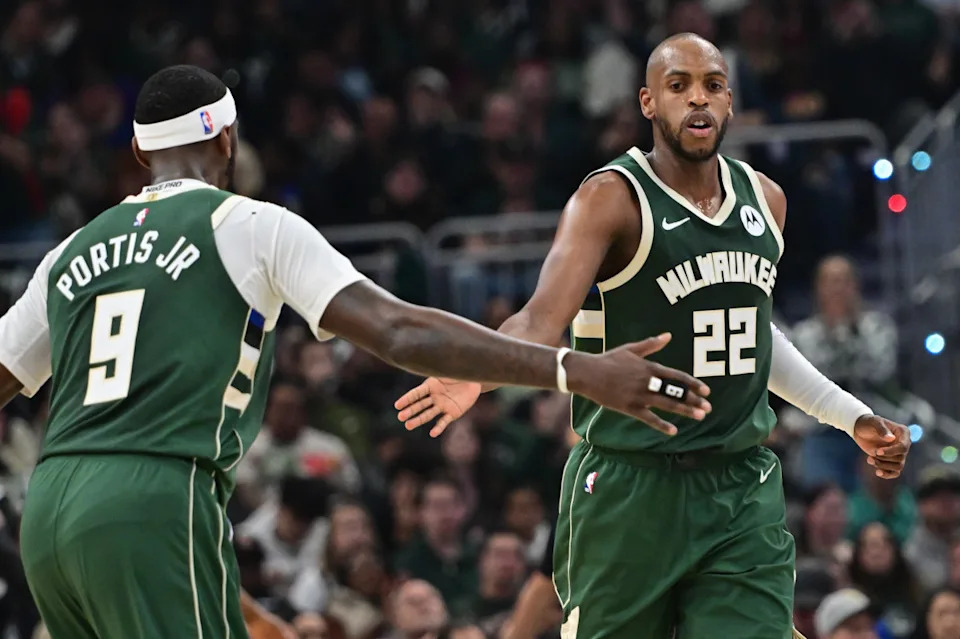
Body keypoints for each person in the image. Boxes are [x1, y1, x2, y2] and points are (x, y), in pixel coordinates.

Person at [0, 65, 712, 639]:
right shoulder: (249, 223)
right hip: (152, 496)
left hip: (49, 508)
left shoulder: (69, 251)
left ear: (138, 152)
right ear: (227, 141)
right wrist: (574, 367)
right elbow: (398, 331)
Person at [395, 34, 912, 639]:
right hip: (629, 485)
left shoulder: (766, 200)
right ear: (647, 102)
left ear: (729, 102)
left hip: (739, 484)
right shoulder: (609, 198)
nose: (698, 99)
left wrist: (850, 416)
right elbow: (539, 320)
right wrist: (479, 374)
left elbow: (752, 334)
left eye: (713, 86)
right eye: (679, 86)